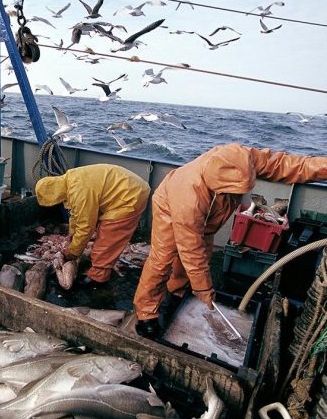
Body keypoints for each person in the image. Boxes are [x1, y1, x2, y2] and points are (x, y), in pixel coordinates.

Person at [134, 143, 327, 339]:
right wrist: (204, 288)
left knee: (203, 253)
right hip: (170, 205)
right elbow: (190, 248)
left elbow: (286, 165)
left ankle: (177, 292)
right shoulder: (188, 196)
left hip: (210, 216)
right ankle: (146, 312)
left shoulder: (246, 158)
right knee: (163, 258)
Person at [35, 164, 150, 285]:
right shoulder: (69, 180)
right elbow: (76, 214)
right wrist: (72, 234)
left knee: (107, 240)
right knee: (99, 234)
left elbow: (86, 227)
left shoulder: (80, 192)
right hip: (125, 187)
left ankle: (98, 278)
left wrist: (73, 252)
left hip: (130, 195)